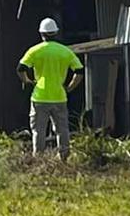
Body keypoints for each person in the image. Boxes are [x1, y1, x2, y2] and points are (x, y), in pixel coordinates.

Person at [16, 17, 83, 158]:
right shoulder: (65, 51)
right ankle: (63, 158)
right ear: (56, 33)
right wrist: (70, 87)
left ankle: (39, 159)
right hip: (59, 97)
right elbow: (79, 71)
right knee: (62, 130)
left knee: (38, 131)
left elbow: (20, 68)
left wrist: (28, 81)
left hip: (39, 97)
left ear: (41, 34)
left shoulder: (34, 51)